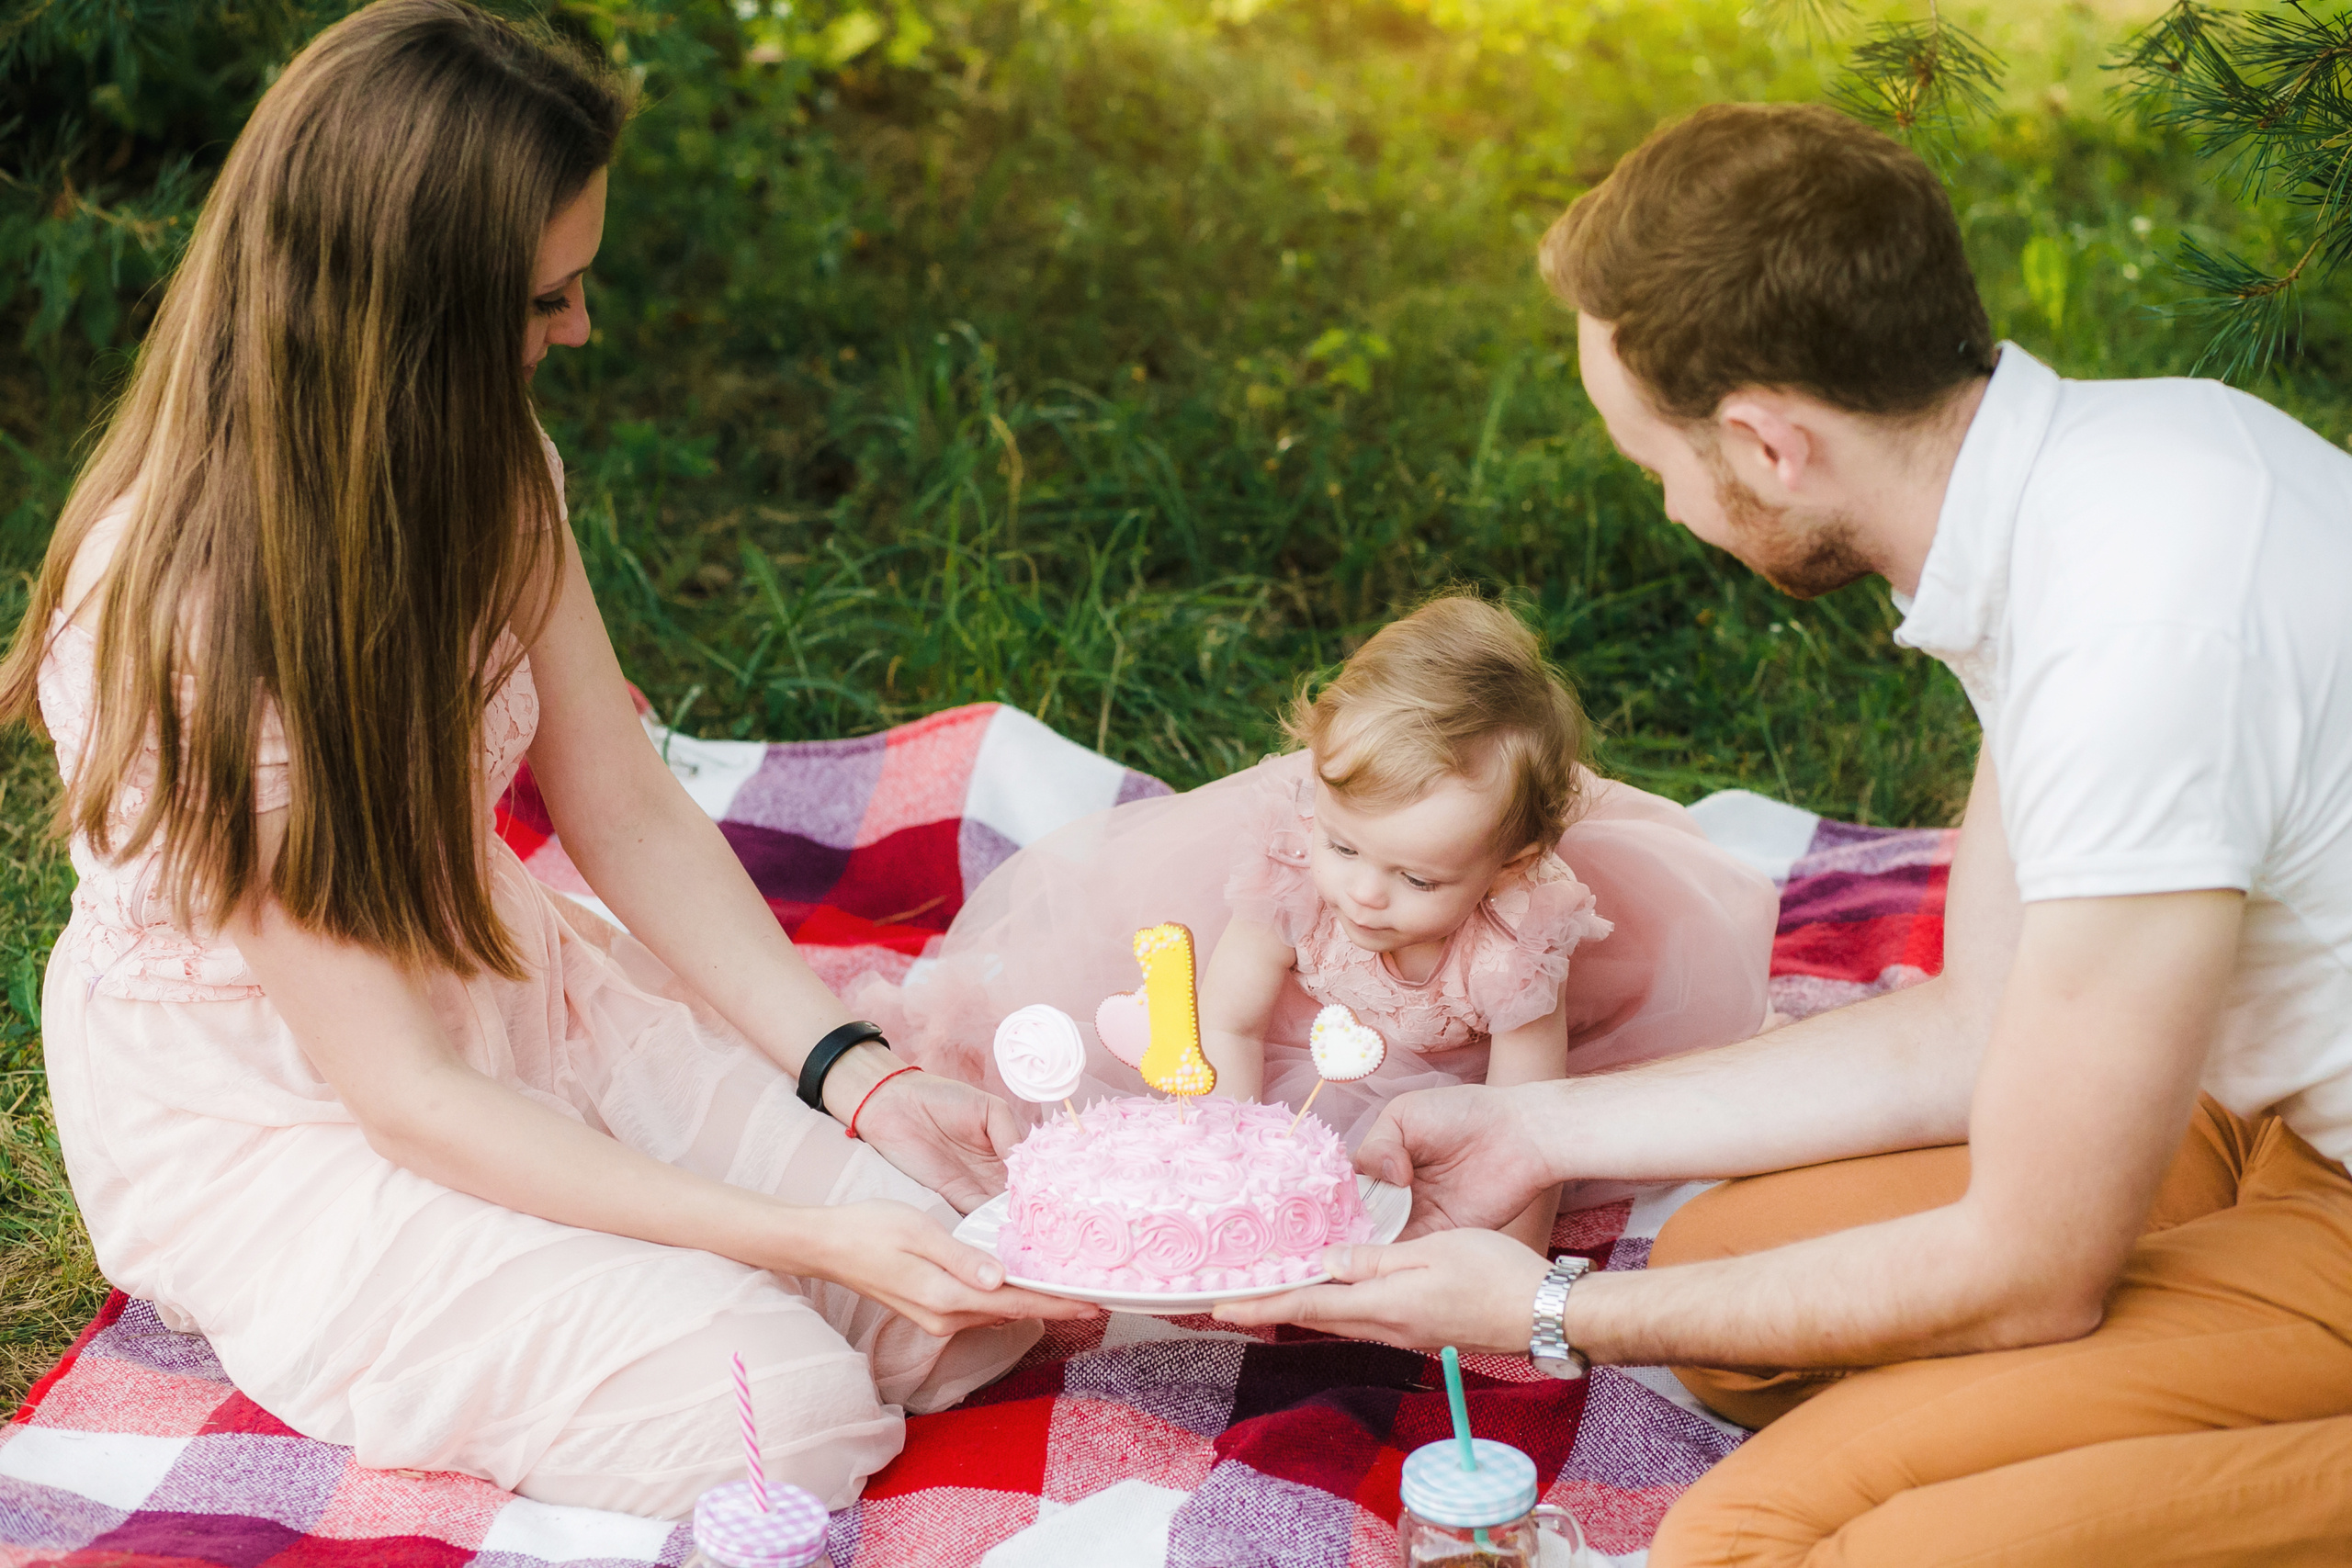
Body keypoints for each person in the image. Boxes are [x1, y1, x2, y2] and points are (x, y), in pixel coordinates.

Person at [1218, 102, 2352, 1565]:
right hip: (2255, 1108)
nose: (1670, 507)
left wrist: (1552, 1311)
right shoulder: (2104, 480)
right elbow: (1978, 1024)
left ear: (1765, 440)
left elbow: (2034, 1270)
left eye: (1657, 464)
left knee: (1757, 1541)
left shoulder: (2140, 649)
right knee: (1725, 1291)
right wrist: (1529, 1126)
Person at [0, 0, 1089, 1521]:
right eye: (544, 297)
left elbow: (623, 804)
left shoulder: (491, 460)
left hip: (487, 975)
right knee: (780, 1413)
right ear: (407, 312)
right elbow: (406, 1094)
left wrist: (861, 1080)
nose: (579, 329)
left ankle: (718, 1256)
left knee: (969, 1287)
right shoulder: (196, 617)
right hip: (289, 1103)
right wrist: (800, 1240)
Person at [857, 594, 1778, 1246]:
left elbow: (1525, 1123)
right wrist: (1234, 1162)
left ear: (1507, 865)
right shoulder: (1300, 868)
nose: (1366, 895)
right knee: (1129, 1045)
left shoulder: (1513, 938)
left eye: (1416, 876)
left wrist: (1505, 1261)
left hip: (1459, 1066)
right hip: (1306, 1025)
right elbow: (1229, 1018)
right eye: (1346, 846)